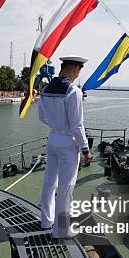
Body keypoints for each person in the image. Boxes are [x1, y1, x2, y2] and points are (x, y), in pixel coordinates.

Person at [38, 56, 92, 238]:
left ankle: (46, 221)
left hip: (52, 137)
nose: (78, 74)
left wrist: (56, 125)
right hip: (68, 142)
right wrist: (85, 149)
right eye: (79, 70)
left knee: (49, 182)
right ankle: (61, 230)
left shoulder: (46, 89)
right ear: (76, 68)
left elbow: (42, 117)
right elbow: (77, 125)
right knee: (66, 186)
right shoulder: (73, 91)